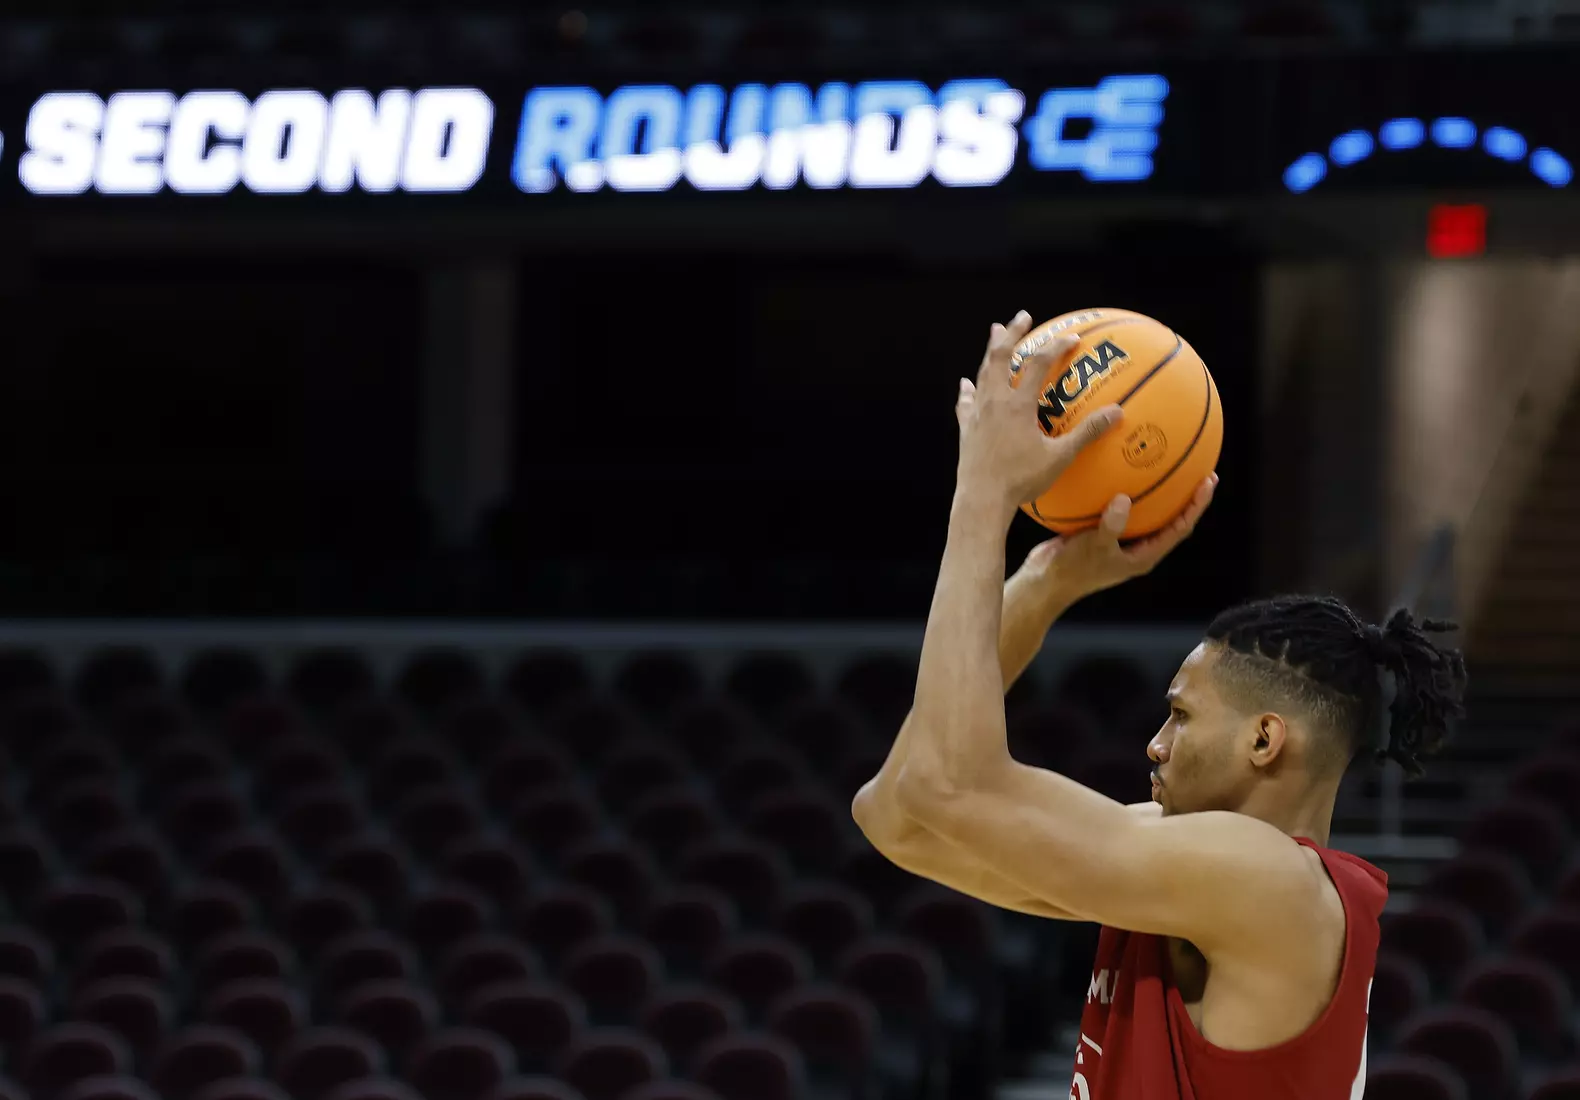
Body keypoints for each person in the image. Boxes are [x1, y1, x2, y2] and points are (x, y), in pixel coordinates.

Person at [852, 312, 1468, 1099]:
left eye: (1180, 714)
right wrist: (1047, 582)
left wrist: (984, 494)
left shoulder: (1269, 884)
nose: (1154, 743)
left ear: (1264, 740)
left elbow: (945, 786)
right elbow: (898, 815)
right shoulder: (1183, 874)